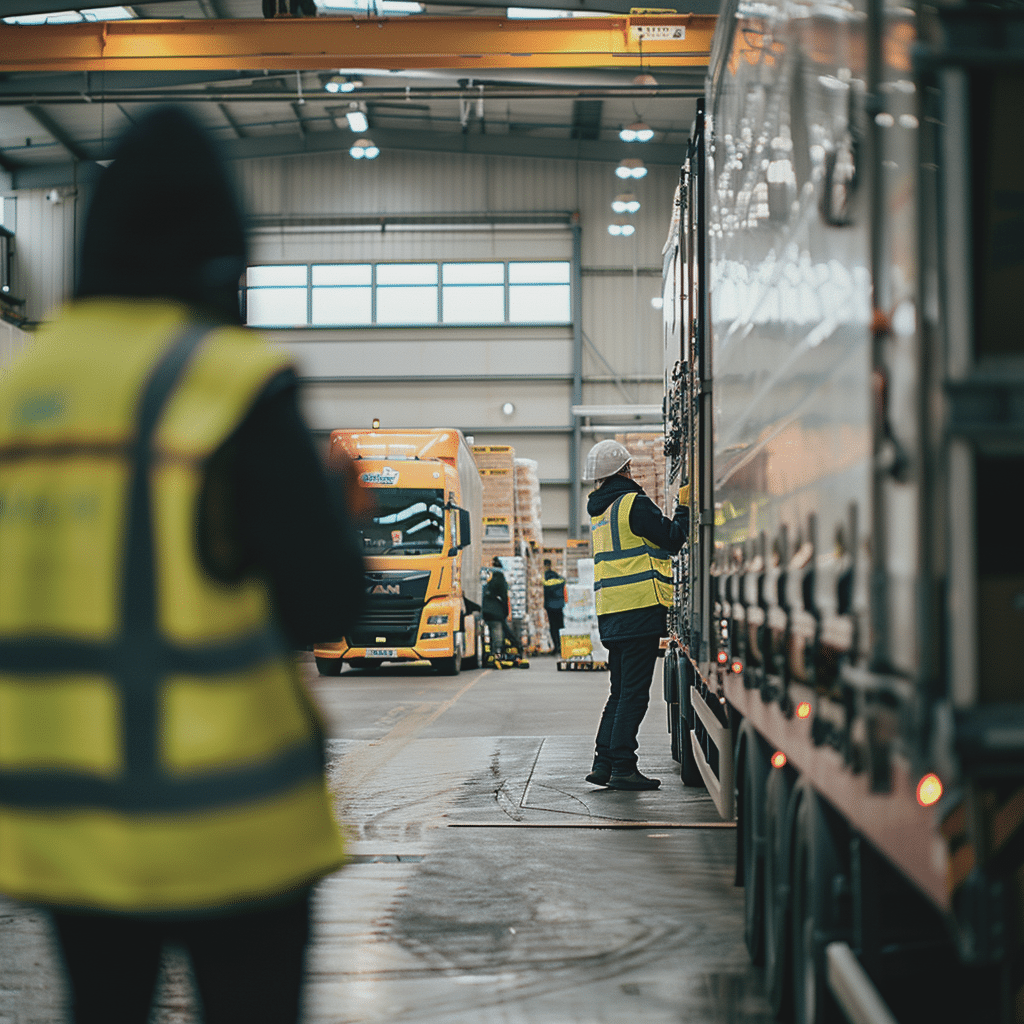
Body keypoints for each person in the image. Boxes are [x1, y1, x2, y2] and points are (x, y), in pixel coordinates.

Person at [0, 107, 365, 1024]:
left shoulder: (21, 396)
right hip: (233, 829)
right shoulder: (232, 382)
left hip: (67, 827)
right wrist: (338, 511)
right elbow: (323, 600)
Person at [584, 439, 688, 791]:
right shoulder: (633, 503)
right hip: (639, 609)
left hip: (612, 613)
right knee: (634, 694)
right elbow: (673, 539)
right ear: (624, 470)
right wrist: (685, 509)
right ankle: (624, 766)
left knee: (619, 691)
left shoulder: (600, 511)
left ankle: (604, 761)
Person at [482, 556, 523, 664]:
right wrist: (507, 612)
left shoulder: (487, 580)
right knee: (498, 633)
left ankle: (491, 655)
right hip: (496, 612)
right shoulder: (499, 578)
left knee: (491, 634)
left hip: (486, 611)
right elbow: (505, 597)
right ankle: (498, 654)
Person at [542, 558, 566, 655]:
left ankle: (556, 646)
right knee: (560, 626)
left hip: (550, 606)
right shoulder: (558, 578)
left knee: (553, 627)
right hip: (560, 605)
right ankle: (562, 646)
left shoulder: (546, 578)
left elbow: (546, 592)